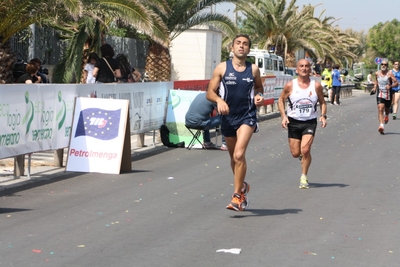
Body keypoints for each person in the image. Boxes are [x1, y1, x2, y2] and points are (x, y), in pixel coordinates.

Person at [206, 34, 264, 211]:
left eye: (245, 44)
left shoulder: (253, 69)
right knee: (233, 158)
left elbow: (259, 88)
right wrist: (219, 101)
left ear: (248, 49)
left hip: (247, 116)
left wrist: (259, 96)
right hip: (228, 117)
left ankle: (237, 196)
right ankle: (243, 187)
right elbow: (210, 92)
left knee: (239, 155)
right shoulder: (222, 68)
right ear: (232, 48)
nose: (241, 46)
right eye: (238, 43)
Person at [278, 59, 327, 189]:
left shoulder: (316, 86)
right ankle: (301, 156)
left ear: (310, 69)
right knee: (295, 153)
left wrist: (323, 116)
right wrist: (283, 116)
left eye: (307, 66)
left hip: (309, 122)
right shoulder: (290, 85)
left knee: (305, 150)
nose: (304, 68)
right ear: (297, 69)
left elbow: (322, 102)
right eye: (301, 66)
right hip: (293, 122)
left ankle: (304, 176)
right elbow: (281, 100)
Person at [371, 60, 398, 134]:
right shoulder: (377, 73)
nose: (383, 65)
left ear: (387, 66)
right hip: (380, 94)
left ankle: (387, 115)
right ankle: (381, 126)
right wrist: (374, 87)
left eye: (385, 64)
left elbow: (396, 83)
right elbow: (376, 81)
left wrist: (390, 86)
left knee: (386, 109)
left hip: (388, 95)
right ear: (380, 65)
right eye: (382, 64)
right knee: (380, 109)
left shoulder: (389, 74)